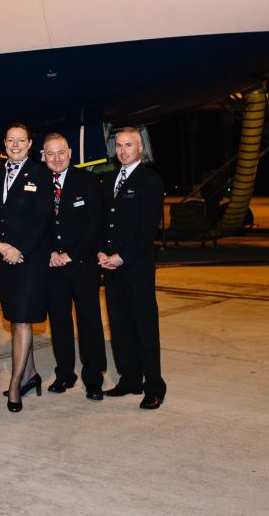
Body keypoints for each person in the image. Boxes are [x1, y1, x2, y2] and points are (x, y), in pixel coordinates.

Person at [99, 126, 167, 410]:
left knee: (144, 325)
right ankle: (129, 379)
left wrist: (122, 257)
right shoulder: (108, 179)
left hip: (136, 265)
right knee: (119, 325)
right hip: (111, 266)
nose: (123, 151)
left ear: (140, 148)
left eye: (129, 145)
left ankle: (154, 385)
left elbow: (147, 228)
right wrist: (101, 251)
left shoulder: (150, 180)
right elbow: (103, 221)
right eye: (119, 146)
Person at [0, 123, 53, 412]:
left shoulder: (41, 174)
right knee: (14, 317)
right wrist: (0, 247)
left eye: (21, 140)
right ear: (4, 144)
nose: (15, 145)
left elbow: (42, 218)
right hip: (4, 257)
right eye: (10, 140)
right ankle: (30, 375)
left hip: (29, 259)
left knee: (24, 318)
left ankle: (15, 384)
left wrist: (19, 250)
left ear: (30, 144)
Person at [42, 133, 107, 400]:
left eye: (61, 153)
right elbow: (34, 224)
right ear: (43, 156)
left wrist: (71, 254)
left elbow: (95, 223)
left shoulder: (88, 181)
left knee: (89, 322)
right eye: (51, 154)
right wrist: (48, 253)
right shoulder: (37, 181)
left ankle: (93, 379)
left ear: (70, 153)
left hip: (81, 266)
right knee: (59, 324)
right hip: (52, 267)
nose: (56, 159)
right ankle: (64, 374)